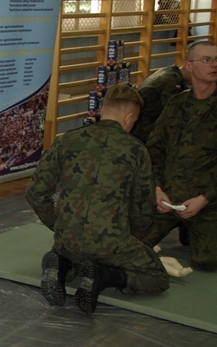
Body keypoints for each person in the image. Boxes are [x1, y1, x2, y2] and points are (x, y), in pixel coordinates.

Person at [26, 83, 169, 314]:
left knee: (79, 254)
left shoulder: (67, 140)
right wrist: (131, 238)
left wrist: (59, 224)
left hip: (67, 239)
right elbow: (143, 207)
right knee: (157, 277)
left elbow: (35, 192)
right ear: (129, 117)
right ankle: (104, 276)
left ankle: (62, 265)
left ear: (103, 110)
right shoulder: (136, 150)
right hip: (110, 241)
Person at [142, 43, 217, 271]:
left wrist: (205, 197)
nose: (214, 65)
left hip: (207, 201)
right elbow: (154, 149)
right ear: (189, 66)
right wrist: (156, 188)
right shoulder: (176, 104)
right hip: (167, 198)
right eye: (206, 60)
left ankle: (192, 229)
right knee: (130, 245)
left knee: (208, 263)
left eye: (216, 60)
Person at [131, 44, 206, 143]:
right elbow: (174, 115)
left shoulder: (173, 74)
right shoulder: (170, 81)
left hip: (146, 127)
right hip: (143, 131)